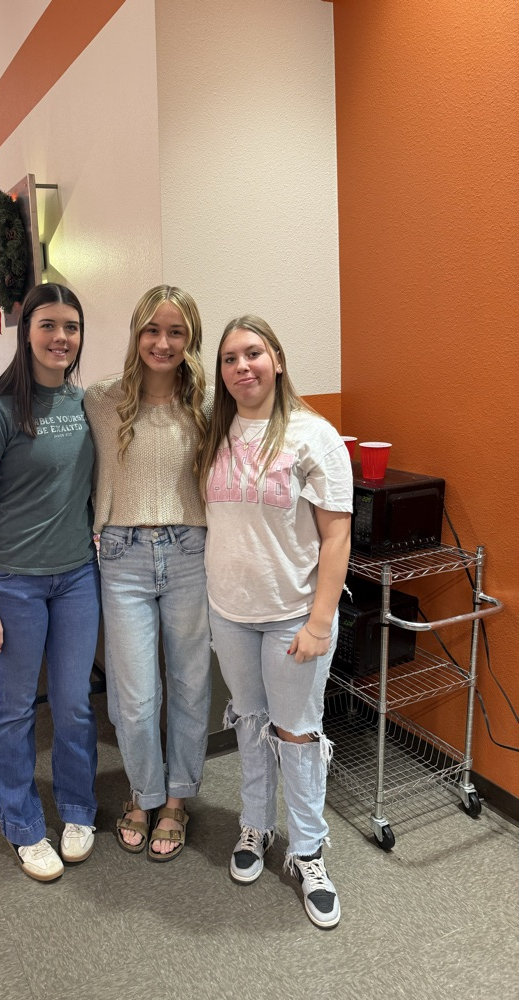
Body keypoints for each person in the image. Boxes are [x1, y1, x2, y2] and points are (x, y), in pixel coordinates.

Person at [200, 315, 352, 928]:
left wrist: (320, 622)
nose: (242, 367)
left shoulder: (314, 436)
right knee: (250, 721)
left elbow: (336, 537)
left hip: (294, 615)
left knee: (296, 733)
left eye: (254, 353)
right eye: (230, 358)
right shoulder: (214, 433)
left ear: (278, 360)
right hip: (230, 612)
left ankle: (308, 850)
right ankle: (256, 825)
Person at [0, 283, 100, 883]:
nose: (60, 337)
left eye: (71, 326)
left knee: (73, 705)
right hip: (15, 583)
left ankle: (77, 808)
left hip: (78, 578)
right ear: (26, 332)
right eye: (48, 325)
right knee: (15, 710)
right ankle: (21, 824)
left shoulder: (86, 404)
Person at [84, 285, 213, 861]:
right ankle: (143, 792)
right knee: (135, 696)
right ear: (136, 333)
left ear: (191, 339)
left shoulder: (207, 405)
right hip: (123, 555)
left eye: (176, 332)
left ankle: (176, 799)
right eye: (152, 330)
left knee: (190, 685)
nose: (163, 342)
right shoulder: (100, 400)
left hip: (190, 552)